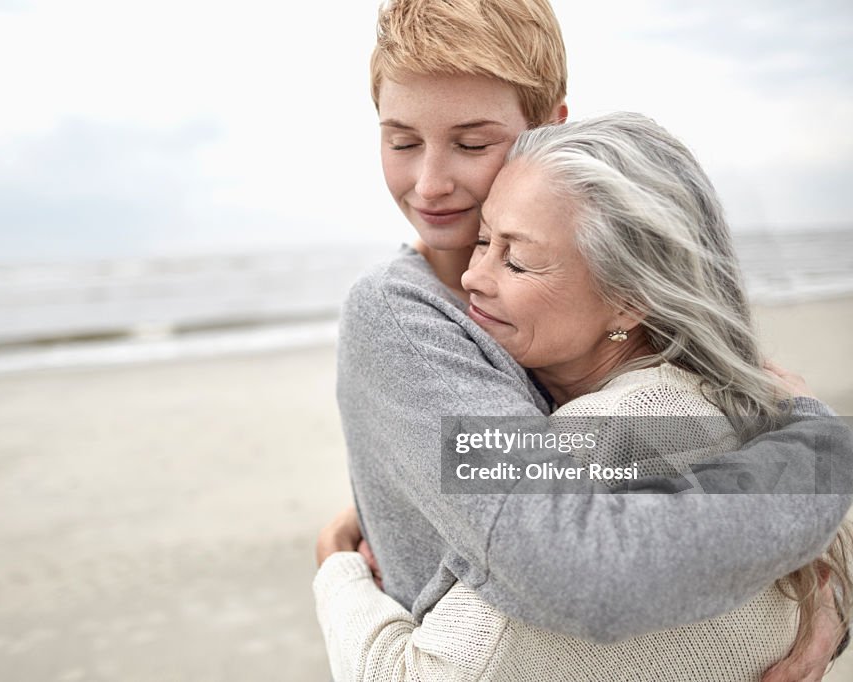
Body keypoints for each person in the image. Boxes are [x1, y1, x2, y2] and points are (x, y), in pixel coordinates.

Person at [314, 0, 852, 678]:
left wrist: (829, 598)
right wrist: (822, 449)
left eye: (473, 143)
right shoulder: (403, 317)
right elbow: (566, 555)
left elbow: (709, 432)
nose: (430, 183)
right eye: (401, 142)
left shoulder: (610, 296)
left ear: (546, 127)